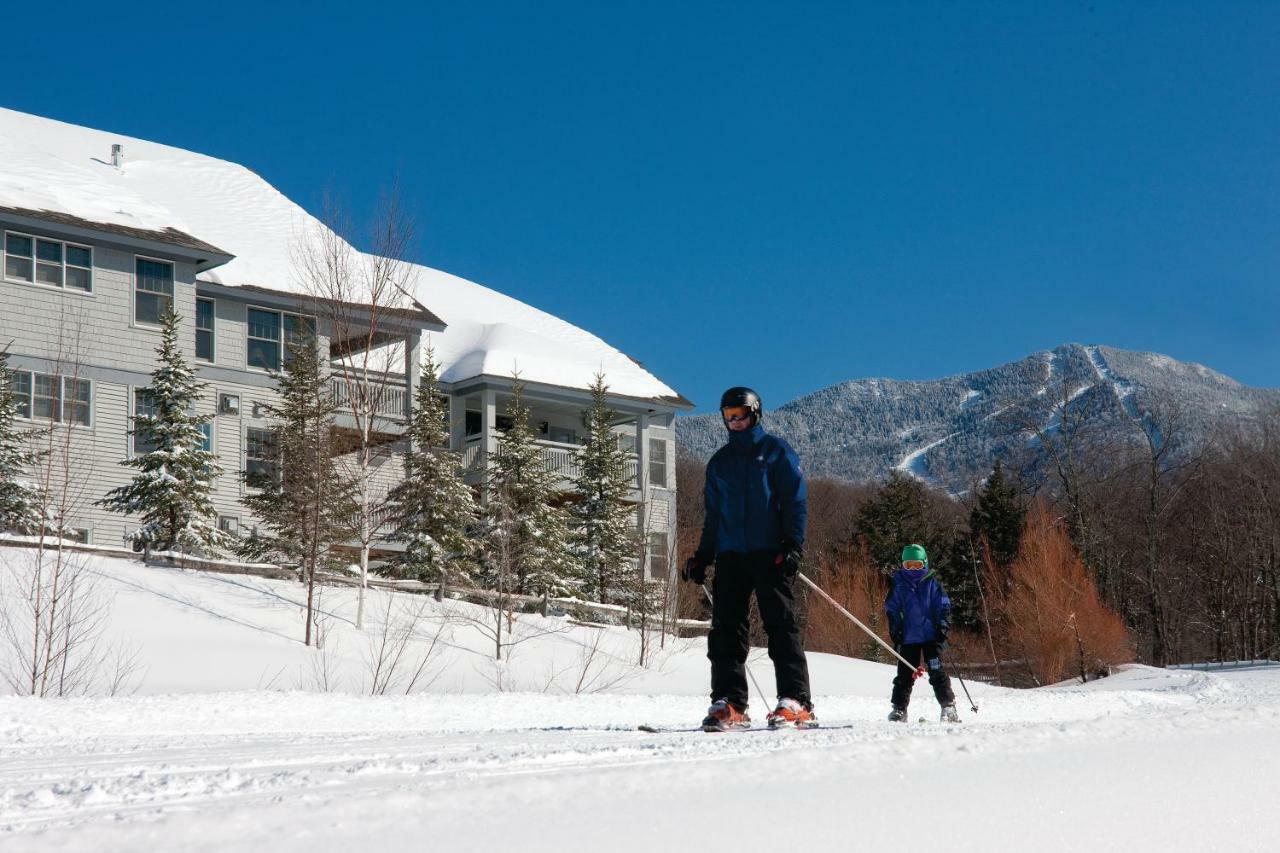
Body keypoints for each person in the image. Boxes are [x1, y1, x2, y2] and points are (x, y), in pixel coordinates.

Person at [682, 386, 813, 731]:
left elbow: (795, 502)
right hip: (730, 555)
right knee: (725, 629)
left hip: (770, 552)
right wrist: (703, 555)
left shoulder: (775, 452)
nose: (733, 422)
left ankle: (795, 700)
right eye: (727, 416)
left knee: (780, 625)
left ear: (754, 414)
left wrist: (792, 544)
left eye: (739, 415)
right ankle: (730, 703)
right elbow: (714, 515)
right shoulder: (719, 463)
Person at [884, 543, 960, 723]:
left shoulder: (932, 583)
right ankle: (899, 709)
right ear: (902, 565)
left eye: (917, 565)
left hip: (930, 637)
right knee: (904, 675)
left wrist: (942, 626)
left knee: (937, 672)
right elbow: (892, 609)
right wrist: (896, 629)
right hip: (908, 638)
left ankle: (948, 707)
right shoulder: (899, 584)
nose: (912, 569)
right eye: (908, 565)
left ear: (924, 564)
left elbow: (943, 606)